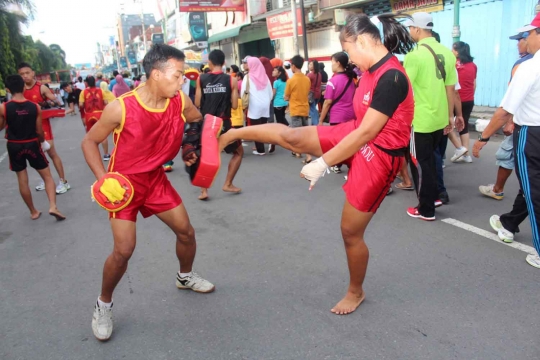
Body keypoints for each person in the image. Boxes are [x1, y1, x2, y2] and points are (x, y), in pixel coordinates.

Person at [218, 13, 415, 314]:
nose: (349, 58)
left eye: (349, 50)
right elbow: (359, 127)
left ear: (362, 41)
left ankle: (355, 291)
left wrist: (321, 164)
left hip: (378, 155)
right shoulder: (370, 70)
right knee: (294, 136)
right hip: (354, 132)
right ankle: (234, 132)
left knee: (350, 232)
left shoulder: (393, 77)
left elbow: (368, 132)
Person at [81, 44, 215, 341]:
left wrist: (188, 145)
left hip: (155, 181)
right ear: (156, 74)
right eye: (178, 74)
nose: (183, 81)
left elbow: (197, 120)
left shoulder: (178, 100)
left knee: (186, 232)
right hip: (124, 186)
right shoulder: (121, 107)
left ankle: (185, 276)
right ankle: (103, 304)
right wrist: (102, 179)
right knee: (124, 250)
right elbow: (89, 142)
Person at [473, 13, 540, 269]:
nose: (524, 41)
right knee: (531, 187)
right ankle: (509, 222)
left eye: (527, 35)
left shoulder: (530, 67)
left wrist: (483, 138)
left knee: (533, 192)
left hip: (532, 134)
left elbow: (503, 111)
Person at [402, 12, 458, 221]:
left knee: (420, 165)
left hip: (421, 121)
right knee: (433, 162)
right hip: (440, 120)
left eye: (410, 28)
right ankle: (433, 197)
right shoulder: (448, 53)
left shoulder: (415, 56)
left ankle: (426, 209)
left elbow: (405, 91)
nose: (409, 32)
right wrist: (449, 118)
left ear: (416, 29)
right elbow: (450, 89)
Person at [0, 75, 65, 221]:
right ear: (23, 87)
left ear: (8, 89)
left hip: (14, 145)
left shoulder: (4, 107)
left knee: (22, 179)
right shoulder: (34, 107)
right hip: (32, 143)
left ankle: (33, 211)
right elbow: (40, 131)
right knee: (47, 177)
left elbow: (1, 126)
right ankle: (53, 206)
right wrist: (43, 142)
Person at [479, 30, 534, 200]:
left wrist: (484, 137)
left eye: (521, 39)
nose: (518, 44)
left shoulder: (525, 65)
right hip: (529, 123)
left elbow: (509, 104)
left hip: (526, 125)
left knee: (508, 156)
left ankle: (498, 189)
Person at [195, 49, 242, 200]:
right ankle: (228, 183)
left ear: (209, 62)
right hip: (224, 123)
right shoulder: (231, 80)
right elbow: (235, 105)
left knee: (206, 156)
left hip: (207, 123)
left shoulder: (201, 79)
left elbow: (197, 103)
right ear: (223, 63)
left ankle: (204, 192)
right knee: (238, 153)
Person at [17, 62, 71, 194]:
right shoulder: (20, 90)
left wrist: (48, 102)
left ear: (33, 73)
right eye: (22, 74)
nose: (25, 76)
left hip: (43, 126)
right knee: (37, 155)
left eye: (27, 73)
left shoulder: (41, 88)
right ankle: (45, 179)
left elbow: (56, 102)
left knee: (52, 153)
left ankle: (63, 181)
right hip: (28, 128)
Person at [318, 52, 357, 173]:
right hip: (351, 115)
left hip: (337, 116)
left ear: (338, 63)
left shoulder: (333, 81)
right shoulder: (351, 79)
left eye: (332, 62)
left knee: (337, 142)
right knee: (350, 141)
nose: (331, 65)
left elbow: (327, 102)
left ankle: (338, 164)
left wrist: (320, 120)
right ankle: (352, 163)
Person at [447, 41, 477, 164]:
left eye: (453, 49)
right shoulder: (473, 65)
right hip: (469, 99)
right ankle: (466, 155)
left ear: (458, 52)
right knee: (463, 126)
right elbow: (474, 84)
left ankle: (459, 148)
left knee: (446, 125)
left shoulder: (453, 65)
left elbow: (451, 86)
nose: (451, 51)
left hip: (455, 99)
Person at [240, 56, 273, 155]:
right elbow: (270, 92)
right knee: (263, 126)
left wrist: (244, 103)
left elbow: (243, 92)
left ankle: (260, 150)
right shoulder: (265, 76)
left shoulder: (248, 77)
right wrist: (267, 101)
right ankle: (271, 141)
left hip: (254, 106)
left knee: (256, 128)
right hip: (265, 104)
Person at [285, 55, 311, 161]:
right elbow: (307, 92)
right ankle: (299, 151)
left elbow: (286, 96)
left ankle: (303, 153)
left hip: (295, 109)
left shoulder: (290, 81)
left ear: (293, 66)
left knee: (296, 133)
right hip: (305, 109)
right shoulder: (307, 79)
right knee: (304, 133)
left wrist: (288, 98)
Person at [79, 76, 112, 161]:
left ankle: (94, 155)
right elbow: (106, 102)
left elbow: (81, 105)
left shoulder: (83, 92)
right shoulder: (101, 91)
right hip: (100, 114)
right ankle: (106, 154)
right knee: (103, 135)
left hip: (89, 115)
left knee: (90, 136)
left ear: (87, 83)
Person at [307, 60, 322, 126]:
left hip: (311, 94)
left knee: (312, 110)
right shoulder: (319, 74)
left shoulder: (310, 75)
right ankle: (315, 122)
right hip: (318, 93)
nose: (309, 66)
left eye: (310, 64)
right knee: (314, 108)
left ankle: (316, 124)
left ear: (314, 66)